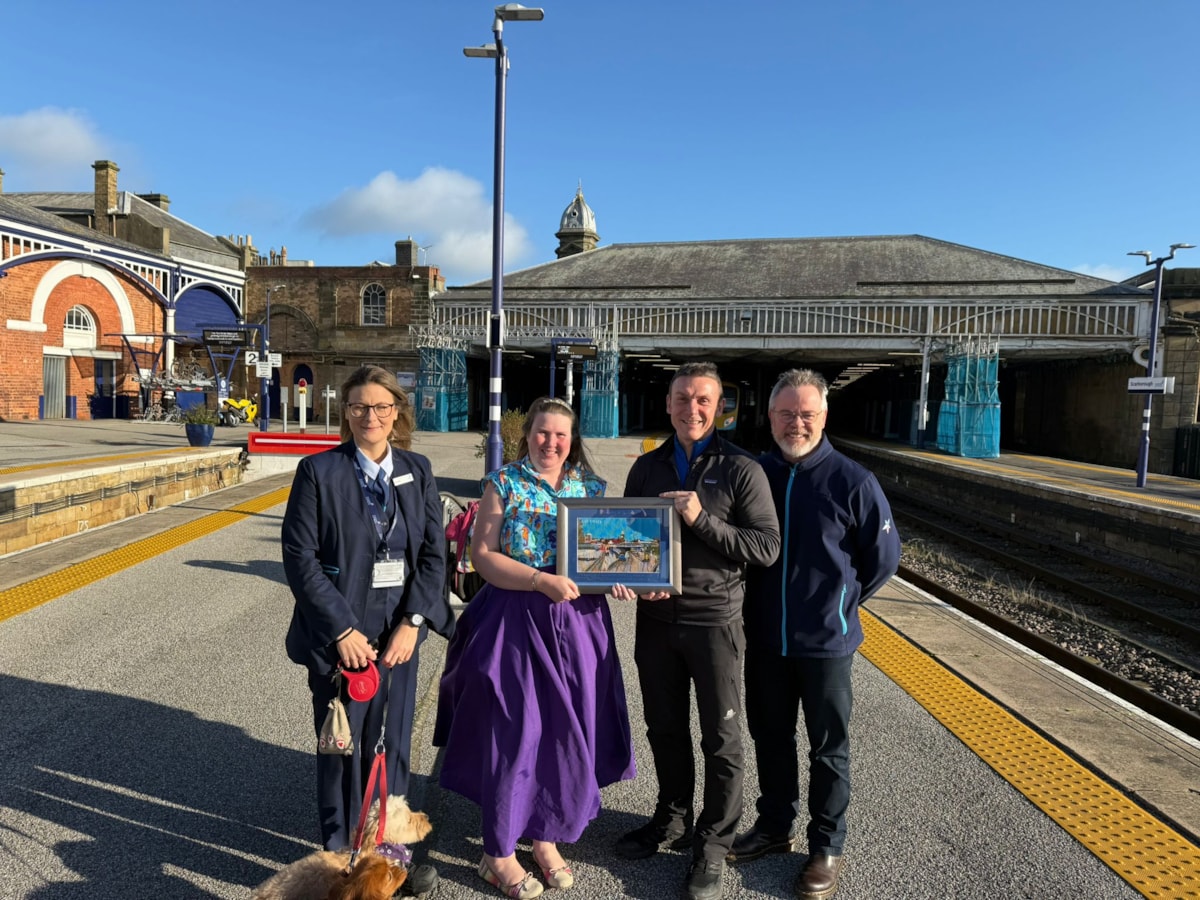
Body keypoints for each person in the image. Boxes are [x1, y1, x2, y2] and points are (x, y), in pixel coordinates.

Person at [433, 396, 636, 900]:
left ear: (573, 441)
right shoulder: (503, 483)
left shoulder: (590, 488)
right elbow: (483, 556)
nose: (550, 442)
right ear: (528, 435)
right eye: (542, 432)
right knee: (515, 731)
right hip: (515, 620)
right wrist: (540, 581)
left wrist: (621, 577)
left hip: (580, 627)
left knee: (566, 733)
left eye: (561, 435)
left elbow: (602, 557)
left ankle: (545, 836)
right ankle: (496, 850)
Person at [728, 368, 900, 900]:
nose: (795, 423)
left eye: (806, 414)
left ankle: (826, 846)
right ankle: (775, 827)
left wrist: (840, 606)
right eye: (785, 413)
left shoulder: (853, 481)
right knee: (770, 737)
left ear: (824, 416)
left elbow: (883, 560)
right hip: (765, 640)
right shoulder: (755, 474)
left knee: (829, 749)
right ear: (771, 416)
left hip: (827, 644)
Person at [281, 365, 453, 896]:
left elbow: (433, 554)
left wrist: (414, 622)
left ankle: (386, 859)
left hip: (400, 639)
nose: (370, 416)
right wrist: (341, 632)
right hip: (342, 641)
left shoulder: (416, 470)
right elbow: (300, 558)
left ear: (397, 412)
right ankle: (339, 860)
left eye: (381, 406)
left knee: (392, 746)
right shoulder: (319, 472)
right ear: (346, 413)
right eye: (359, 407)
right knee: (342, 749)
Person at [615, 362, 780, 900]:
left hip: (715, 622)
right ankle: (672, 818)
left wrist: (699, 518)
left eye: (703, 400)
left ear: (719, 407)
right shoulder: (648, 466)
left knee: (721, 738)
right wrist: (637, 580)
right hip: (656, 622)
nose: (692, 408)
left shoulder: (741, 468)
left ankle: (712, 844)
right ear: (668, 404)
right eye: (682, 398)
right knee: (663, 727)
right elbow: (627, 539)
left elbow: (765, 547)